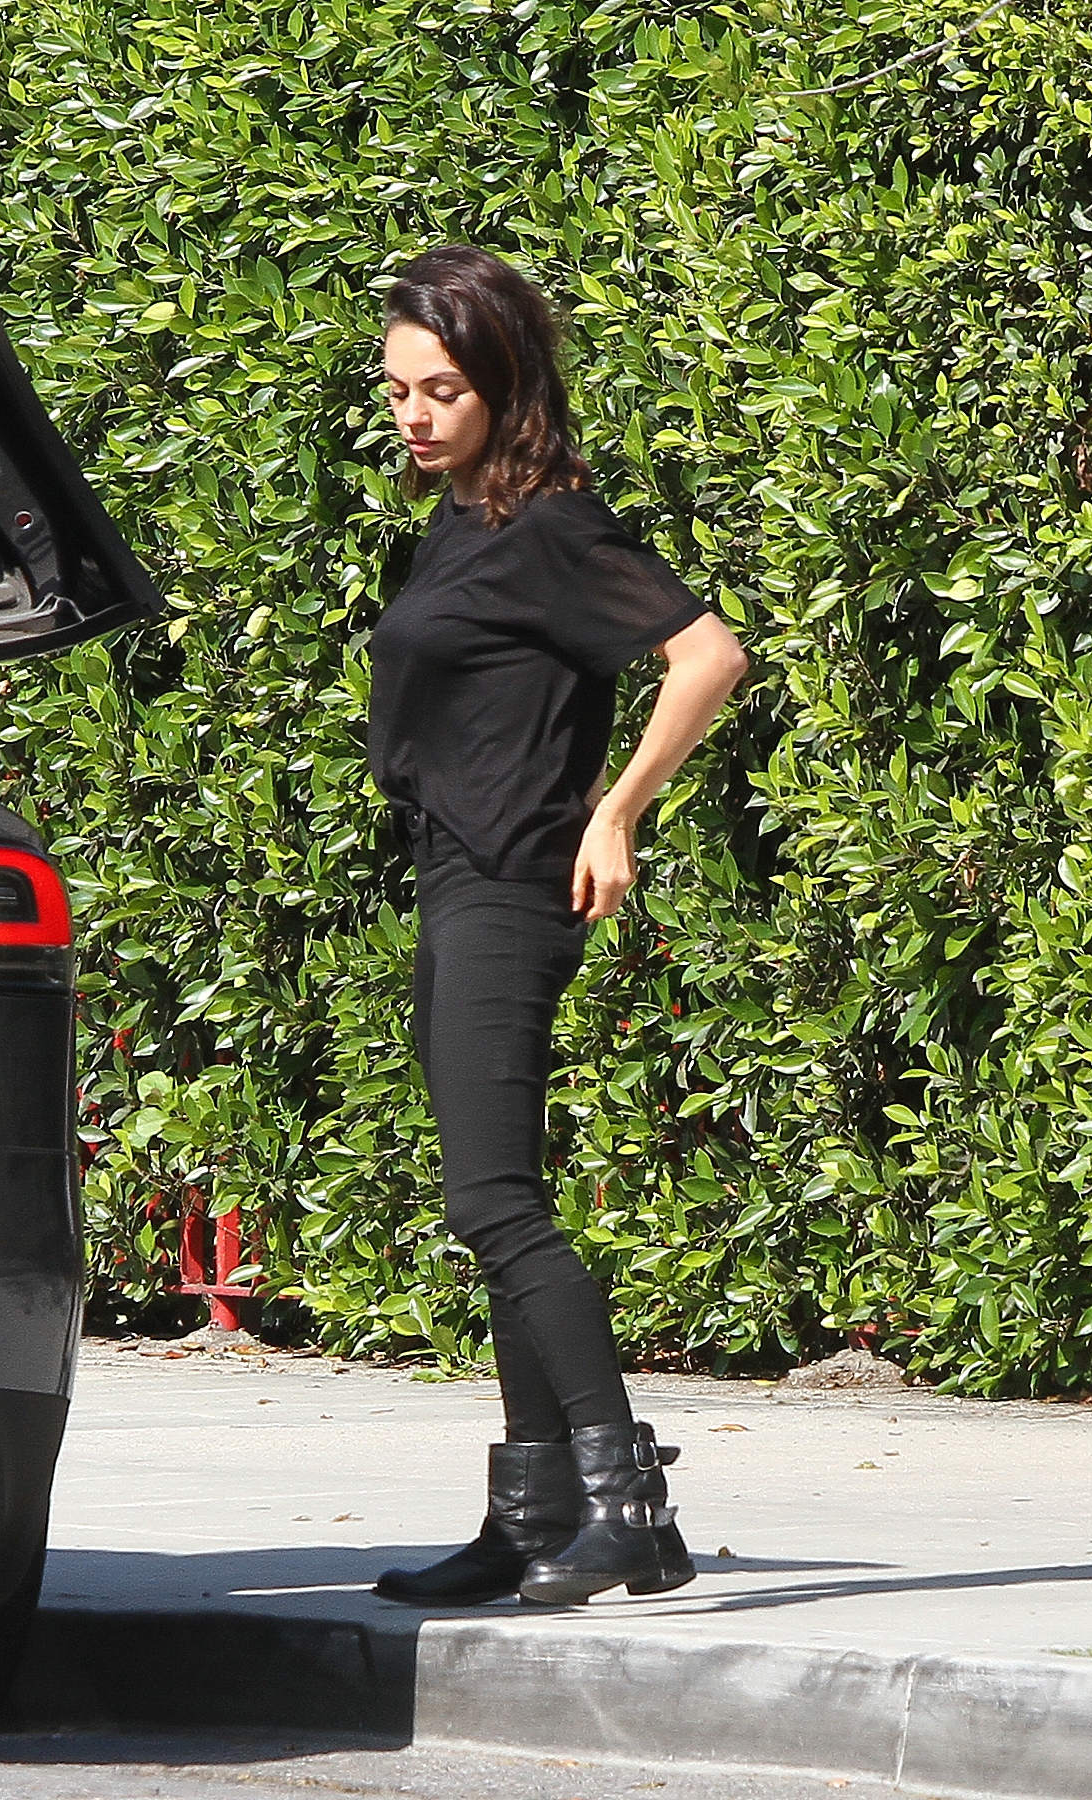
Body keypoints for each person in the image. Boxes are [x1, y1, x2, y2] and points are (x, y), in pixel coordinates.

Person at [367, 246, 748, 1608]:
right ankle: (530, 1515)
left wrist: (617, 810)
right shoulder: (460, 523)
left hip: (513, 884)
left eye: (444, 390)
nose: (416, 414)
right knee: (496, 1198)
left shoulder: (551, 529)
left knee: (492, 1201)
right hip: (452, 874)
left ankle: (629, 1508)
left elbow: (709, 654)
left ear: (504, 386)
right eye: (400, 389)